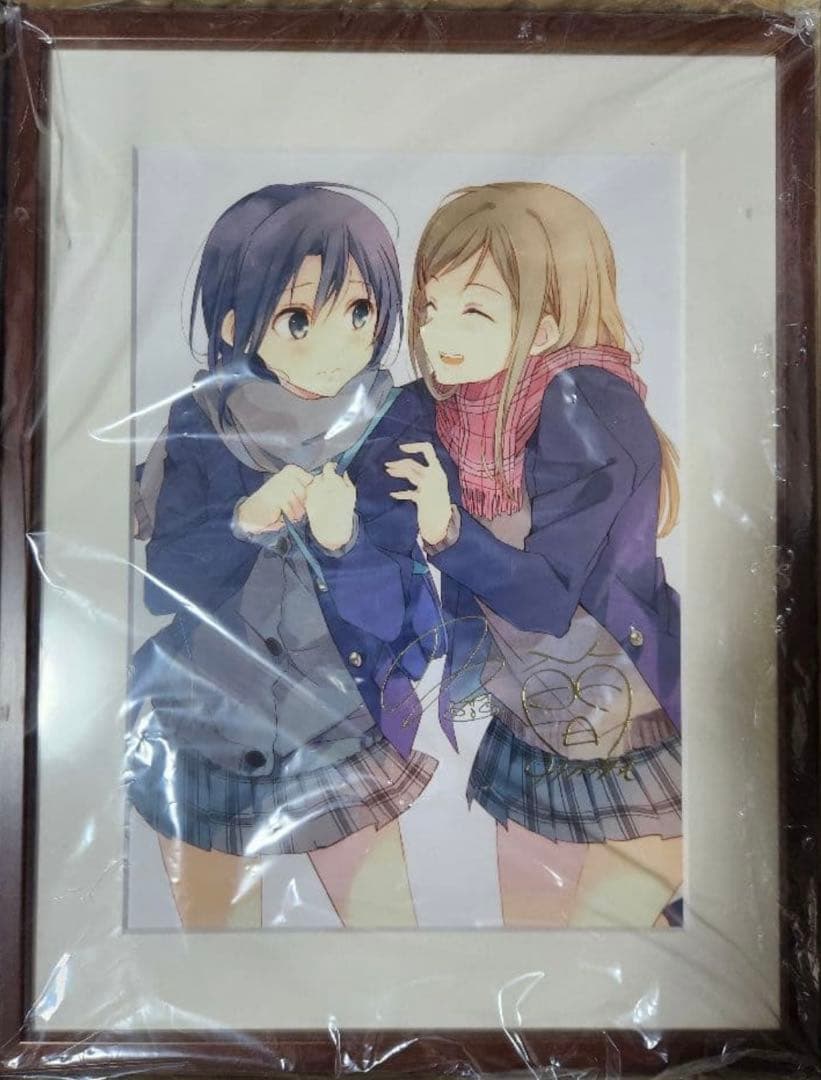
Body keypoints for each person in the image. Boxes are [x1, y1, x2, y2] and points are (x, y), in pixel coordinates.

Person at [128, 183, 444, 929]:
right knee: (215, 957)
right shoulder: (199, 420)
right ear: (235, 325)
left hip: (337, 728)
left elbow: (400, 619)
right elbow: (164, 585)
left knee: (388, 940)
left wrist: (344, 545)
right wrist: (244, 520)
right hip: (204, 725)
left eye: (359, 312)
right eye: (299, 319)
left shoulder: (394, 423)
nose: (336, 347)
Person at [387, 182, 682, 928]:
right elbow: (356, 424)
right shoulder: (453, 405)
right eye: (430, 306)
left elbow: (548, 597)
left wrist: (448, 530)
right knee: (541, 958)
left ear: (546, 324)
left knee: (611, 947)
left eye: (474, 310)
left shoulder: (590, 407)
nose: (437, 333)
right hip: (533, 729)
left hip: (632, 732)